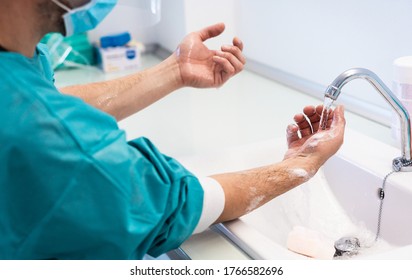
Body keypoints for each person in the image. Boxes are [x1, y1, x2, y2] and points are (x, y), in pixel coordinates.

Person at [0, 0, 345, 259]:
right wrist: (300, 164)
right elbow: (170, 206)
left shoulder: (17, 78)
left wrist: (174, 71)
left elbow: (40, 103)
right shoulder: (61, 142)